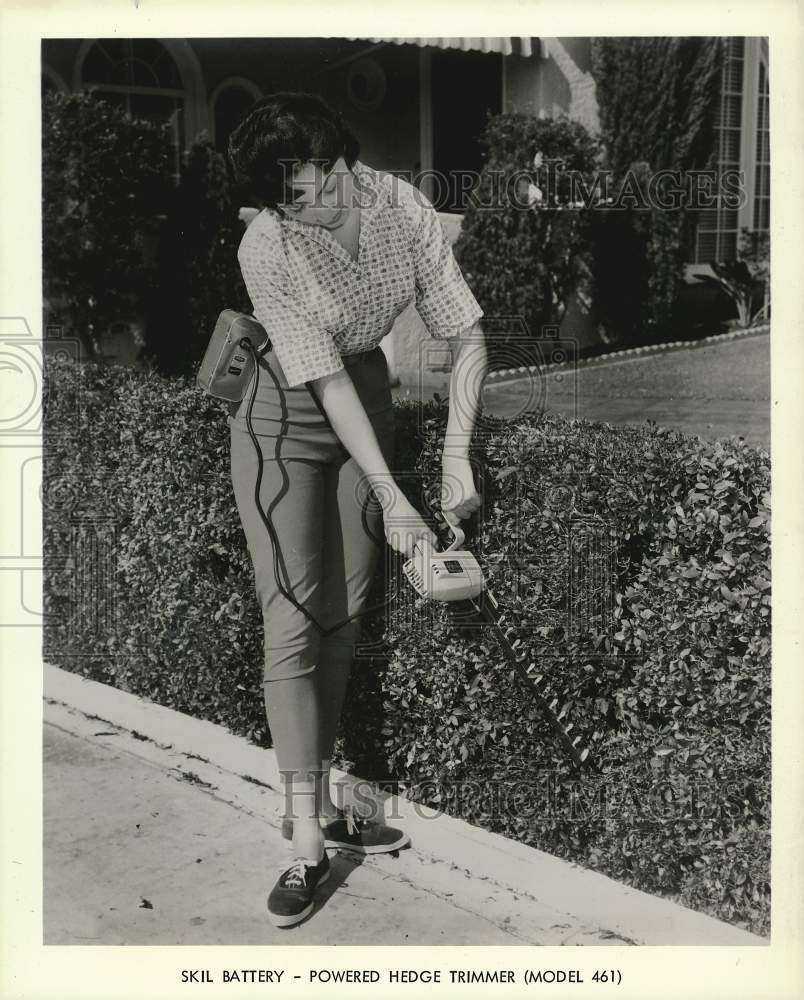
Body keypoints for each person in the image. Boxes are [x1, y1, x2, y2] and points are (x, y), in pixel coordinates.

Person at [226, 91, 486, 928]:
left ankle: (329, 799)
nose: (307, 208)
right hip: (285, 419)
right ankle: (305, 842)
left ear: (343, 158)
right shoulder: (265, 245)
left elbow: (465, 333)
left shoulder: (400, 204)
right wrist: (391, 492)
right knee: (294, 619)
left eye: (315, 185)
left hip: (364, 398)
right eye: (287, 200)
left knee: (346, 612)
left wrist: (453, 454)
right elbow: (321, 379)